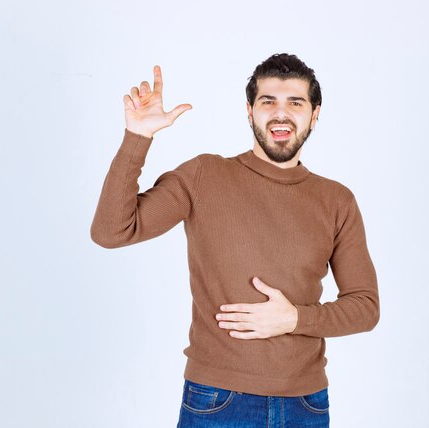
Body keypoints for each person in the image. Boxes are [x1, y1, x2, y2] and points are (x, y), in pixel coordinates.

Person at [90, 53, 380, 427]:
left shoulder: (337, 200)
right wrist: (138, 138)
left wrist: (294, 318)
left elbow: (365, 307)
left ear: (315, 113)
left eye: (295, 102)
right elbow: (111, 231)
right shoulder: (204, 176)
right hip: (218, 400)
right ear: (249, 110)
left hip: (306, 405)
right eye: (267, 102)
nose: (281, 113)